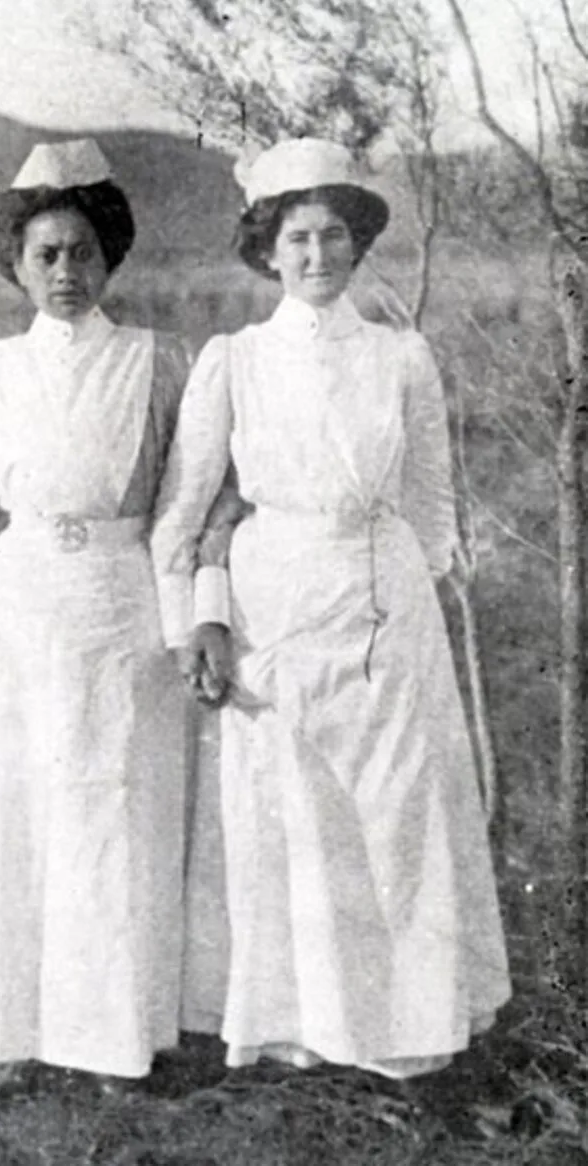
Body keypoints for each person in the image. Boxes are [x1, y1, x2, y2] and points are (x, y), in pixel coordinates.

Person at [151, 138, 511, 1079]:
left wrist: (408, 585)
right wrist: (195, 619)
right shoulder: (235, 360)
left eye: (335, 235)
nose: (318, 255)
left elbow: (431, 498)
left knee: (400, 807)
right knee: (297, 811)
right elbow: (183, 514)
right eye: (298, 238)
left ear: (358, 245)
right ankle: (305, 1024)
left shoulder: (402, 355)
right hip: (276, 602)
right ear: (268, 250)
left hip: (387, 602)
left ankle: (411, 1023)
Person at [0, 139, 229, 1098]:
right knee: (17, 812)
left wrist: (190, 620)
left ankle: (115, 1038)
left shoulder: (160, 362)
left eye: (82, 252)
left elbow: (193, 504)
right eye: (45, 254)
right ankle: (15, 1032)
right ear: (16, 264)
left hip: (123, 609)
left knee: (114, 813)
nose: (65, 272)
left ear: (109, 257)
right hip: (15, 614)